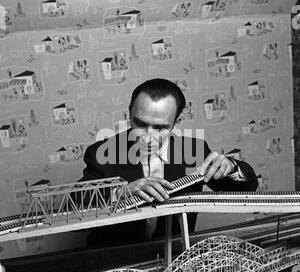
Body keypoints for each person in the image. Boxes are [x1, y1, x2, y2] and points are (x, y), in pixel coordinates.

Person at [80, 78, 258, 246]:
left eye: (160, 127)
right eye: (140, 123)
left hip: (174, 260)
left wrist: (232, 167)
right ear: (130, 113)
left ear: (176, 122)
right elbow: (75, 208)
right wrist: (121, 193)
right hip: (112, 261)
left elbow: (245, 189)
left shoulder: (194, 150)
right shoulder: (101, 153)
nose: (148, 137)